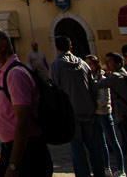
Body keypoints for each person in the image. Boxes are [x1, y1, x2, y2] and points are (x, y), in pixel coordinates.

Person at [0, 28, 52, 177]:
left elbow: (23, 120)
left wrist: (13, 165)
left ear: (2, 44)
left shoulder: (15, 74)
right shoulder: (4, 71)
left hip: (26, 151)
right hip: (13, 148)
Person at [49, 36, 103, 177]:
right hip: (89, 110)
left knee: (77, 148)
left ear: (57, 48)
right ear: (71, 47)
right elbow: (93, 88)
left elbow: (54, 90)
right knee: (94, 147)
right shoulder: (84, 64)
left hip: (71, 112)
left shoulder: (56, 65)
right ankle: (99, 173)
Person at [85, 54, 123, 177]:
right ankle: (106, 168)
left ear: (96, 64)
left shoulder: (103, 77)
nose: (88, 66)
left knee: (113, 140)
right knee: (101, 143)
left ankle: (120, 168)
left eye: (90, 64)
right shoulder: (89, 77)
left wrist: (93, 106)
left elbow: (105, 97)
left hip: (104, 112)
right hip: (96, 114)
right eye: (87, 64)